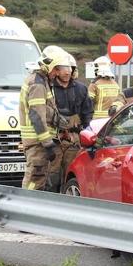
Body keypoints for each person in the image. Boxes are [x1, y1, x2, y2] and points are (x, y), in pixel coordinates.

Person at [20, 46, 70, 191]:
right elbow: (37, 117)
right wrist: (48, 144)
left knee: (38, 180)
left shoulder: (41, 81)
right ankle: (26, 209)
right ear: (49, 67)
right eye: (56, 69)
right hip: (38, 143)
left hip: (37, 142)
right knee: (34, 181)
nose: (57, 73)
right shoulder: (38, 84)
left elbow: (44, 111)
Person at [50, 52, 94, 192]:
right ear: (56, 70)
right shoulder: (49, 88)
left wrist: (86, 135)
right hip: (54, 139)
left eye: (70, 68)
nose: (67, 72)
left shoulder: (81, 89)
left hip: (74, 140)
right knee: (52, 175)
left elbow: (87, 113)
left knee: (70, 173)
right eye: (63, 68)